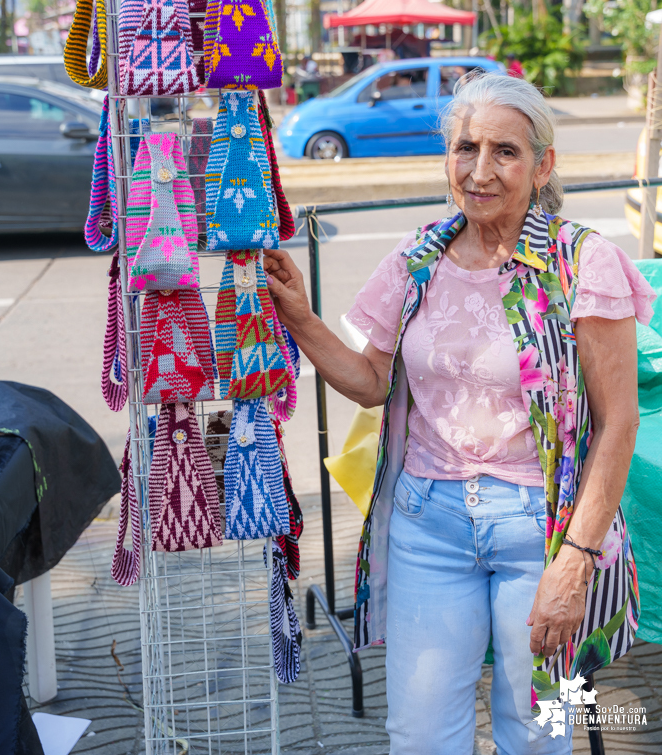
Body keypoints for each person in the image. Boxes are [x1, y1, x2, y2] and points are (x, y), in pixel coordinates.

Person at [263, 73, 655, 755]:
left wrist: (573, 561)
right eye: (464, 147)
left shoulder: (581, 263)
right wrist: (298, 317)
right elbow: (369, 383)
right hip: (427, 528)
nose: (479, 170)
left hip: (540, 531)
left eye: (504, 151)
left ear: (542, 166)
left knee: (536, 734)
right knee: (417, 736)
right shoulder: (417, 260)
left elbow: (617, 423)